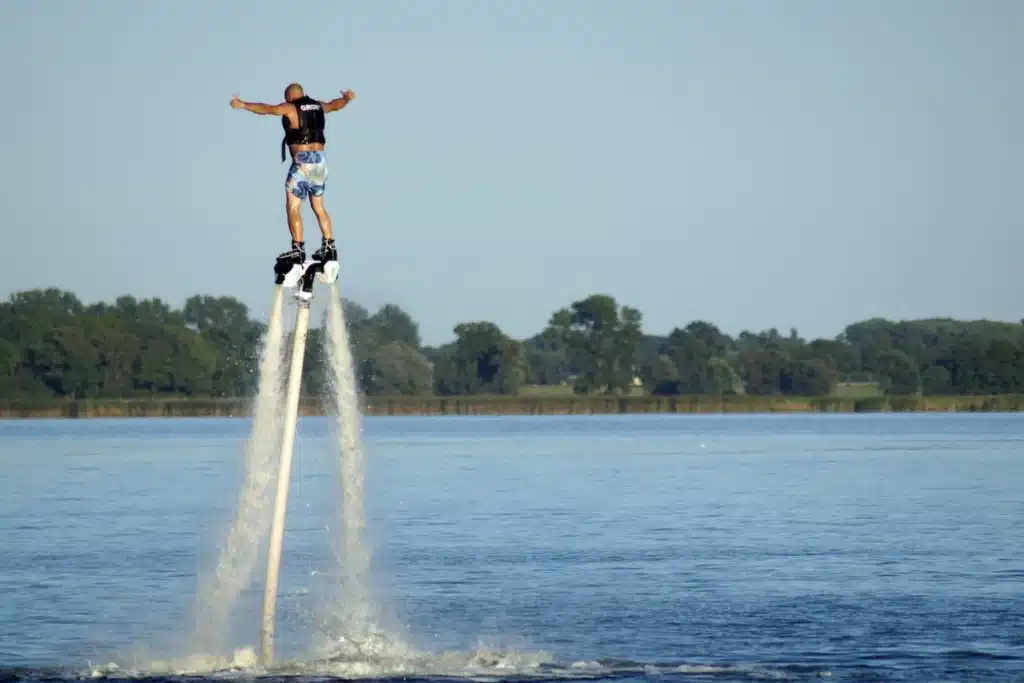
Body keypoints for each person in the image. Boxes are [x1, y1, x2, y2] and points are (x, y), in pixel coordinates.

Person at [231, 83, 356, 269]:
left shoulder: (290, 107)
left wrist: (243, 105)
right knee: (319, 207)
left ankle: (298, 249)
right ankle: (329, 246)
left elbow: (267, 109)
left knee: (293, 207)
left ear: (289, 96)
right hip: (321, 162)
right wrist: (347, 98)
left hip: (303, 162)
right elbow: (335, 104)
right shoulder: (318, 106)